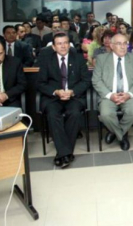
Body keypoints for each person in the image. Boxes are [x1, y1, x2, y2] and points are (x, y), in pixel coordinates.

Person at [36, 32, 91, 168]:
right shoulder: (46, 60)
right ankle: (66, 153)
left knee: (74, 113)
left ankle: (62, 153)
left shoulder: (78, 58)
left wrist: (72, 92)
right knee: (53, 115)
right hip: (53, 98)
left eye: (65, 43)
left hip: (74, 97)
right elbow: (40, 83)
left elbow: (86, 81)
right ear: (53, 47)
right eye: (59, 44)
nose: (63, 46)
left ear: (69, 44)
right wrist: (56, 92)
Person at [92, 34, 133, 151]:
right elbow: (96, 80)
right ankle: (122, 136)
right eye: (119, 43)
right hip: (109, 95)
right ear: (111, 45)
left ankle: (114, 132)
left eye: (125, 43)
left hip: (129, 95)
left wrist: (129, 94)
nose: (123, 47)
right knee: (105, 114)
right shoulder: (101, 59)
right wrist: (110, 95)